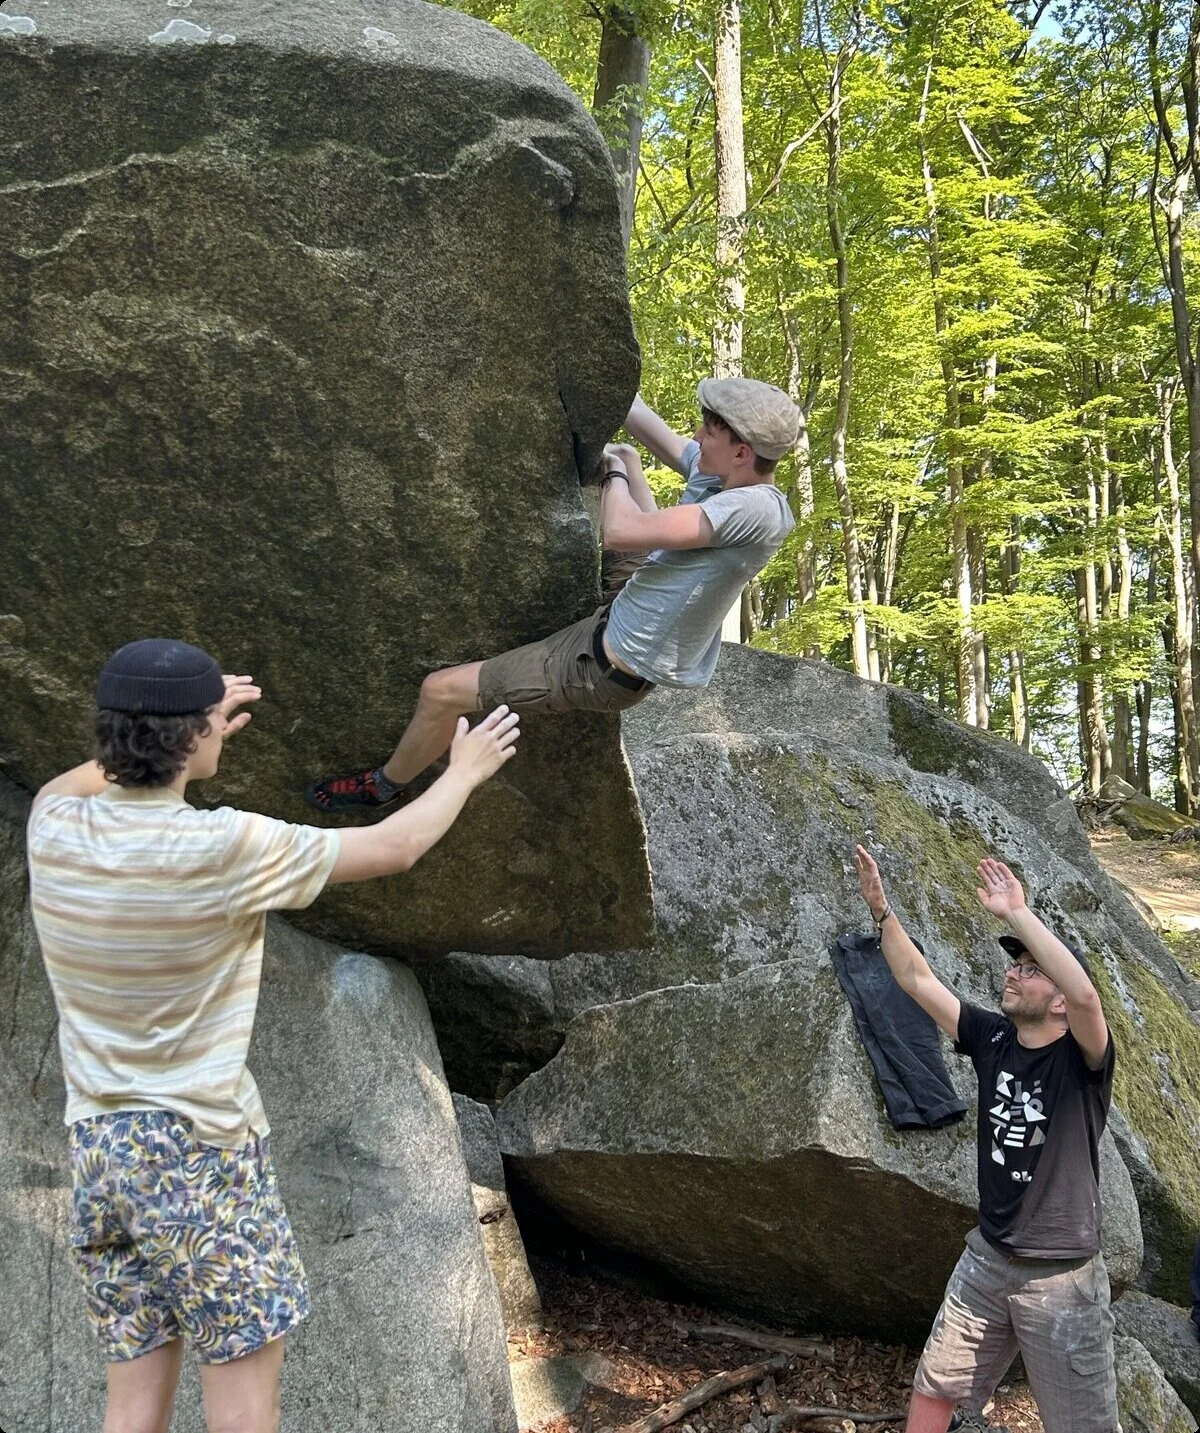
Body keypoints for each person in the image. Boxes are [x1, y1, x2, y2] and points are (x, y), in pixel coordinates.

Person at [26, 637, 519, 1433]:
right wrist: (463, 771)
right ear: (196, 737)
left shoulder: (56, 829)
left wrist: (166, 721)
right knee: (245, 1403)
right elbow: (394, 846)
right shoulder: (220, 847)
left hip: (99, 1151)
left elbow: (65, 782)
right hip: (200, 1156)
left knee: (131, 1406)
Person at [305, 376, 798, 810]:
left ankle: (383, 786)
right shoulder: (720, 474)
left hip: (603, 661)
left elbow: (623, 532)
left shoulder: (757, 508)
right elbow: (643, 422)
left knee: (439, 691)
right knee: (624, 451)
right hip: (637, 594)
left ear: (741, 452)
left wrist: (613, 476)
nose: (695, 437)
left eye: (708, 432)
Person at [852, 845, 1117, 1433]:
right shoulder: (993, 1038)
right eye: (1012, 965)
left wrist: (1017, 914)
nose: (1011, 973)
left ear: (1055, 1000)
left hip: (1062, 1278)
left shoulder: (1083, 1061)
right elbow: (916, 979)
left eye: (1028, 969)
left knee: (1082, 1424)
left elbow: (1086, 997)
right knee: (935, 1384)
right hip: (989, 1257)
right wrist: (880, 912)